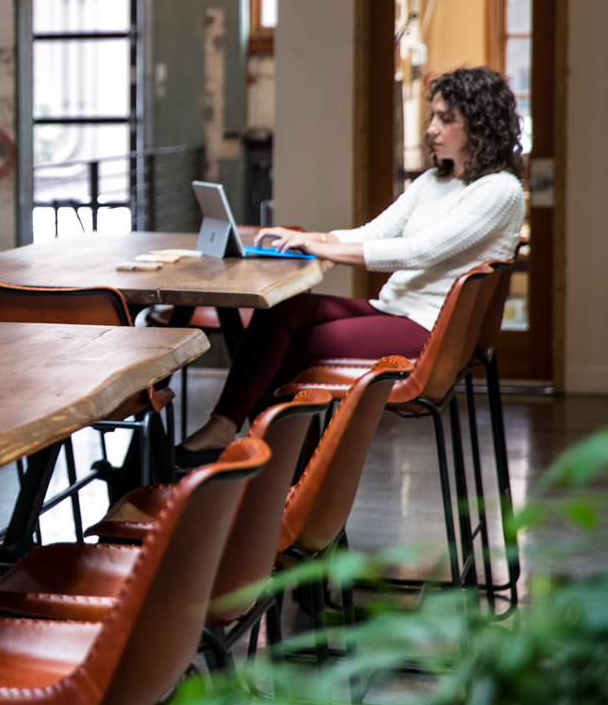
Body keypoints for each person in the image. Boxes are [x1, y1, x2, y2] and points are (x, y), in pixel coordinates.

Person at [176, 67, 526, 467]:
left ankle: (283, 471)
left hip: (432, 331)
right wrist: (313, 239)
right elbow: (373, 233)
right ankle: (231, 432)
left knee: (293, 347)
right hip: (394, 311)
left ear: (480, 126)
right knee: (281, 311)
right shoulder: (434, 181)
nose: (431, 128)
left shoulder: (500, 190)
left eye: (446, 119)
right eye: (433, 116)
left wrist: (320, 248)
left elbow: (419, 252)